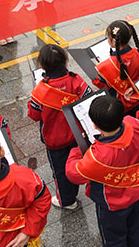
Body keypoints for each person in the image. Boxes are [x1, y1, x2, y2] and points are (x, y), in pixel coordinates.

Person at [65, 94, 139, 247]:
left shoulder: (97, 157)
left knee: (114, 239)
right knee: (135, 229)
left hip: (112, 204)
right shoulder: (133, 124)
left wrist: (78, 149)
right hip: (136, 189)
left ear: (95, 125)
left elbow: (73, 174)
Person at [28, 44, 92, 211]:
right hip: (78, 134)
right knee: (78, 161)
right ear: (64, 60)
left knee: (60, 171)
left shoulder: (39, 91)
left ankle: (67, 200)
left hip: (54, 141)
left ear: (42, 66)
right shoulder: (76, 80)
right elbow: (88, 100)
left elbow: (33, 115)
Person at [93, 20, 139, 117]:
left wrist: (99, 69)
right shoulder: (136, 52)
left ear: (114, 42)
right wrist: (132, 87)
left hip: (122, 104)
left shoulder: (105, 66)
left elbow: (100, 84)